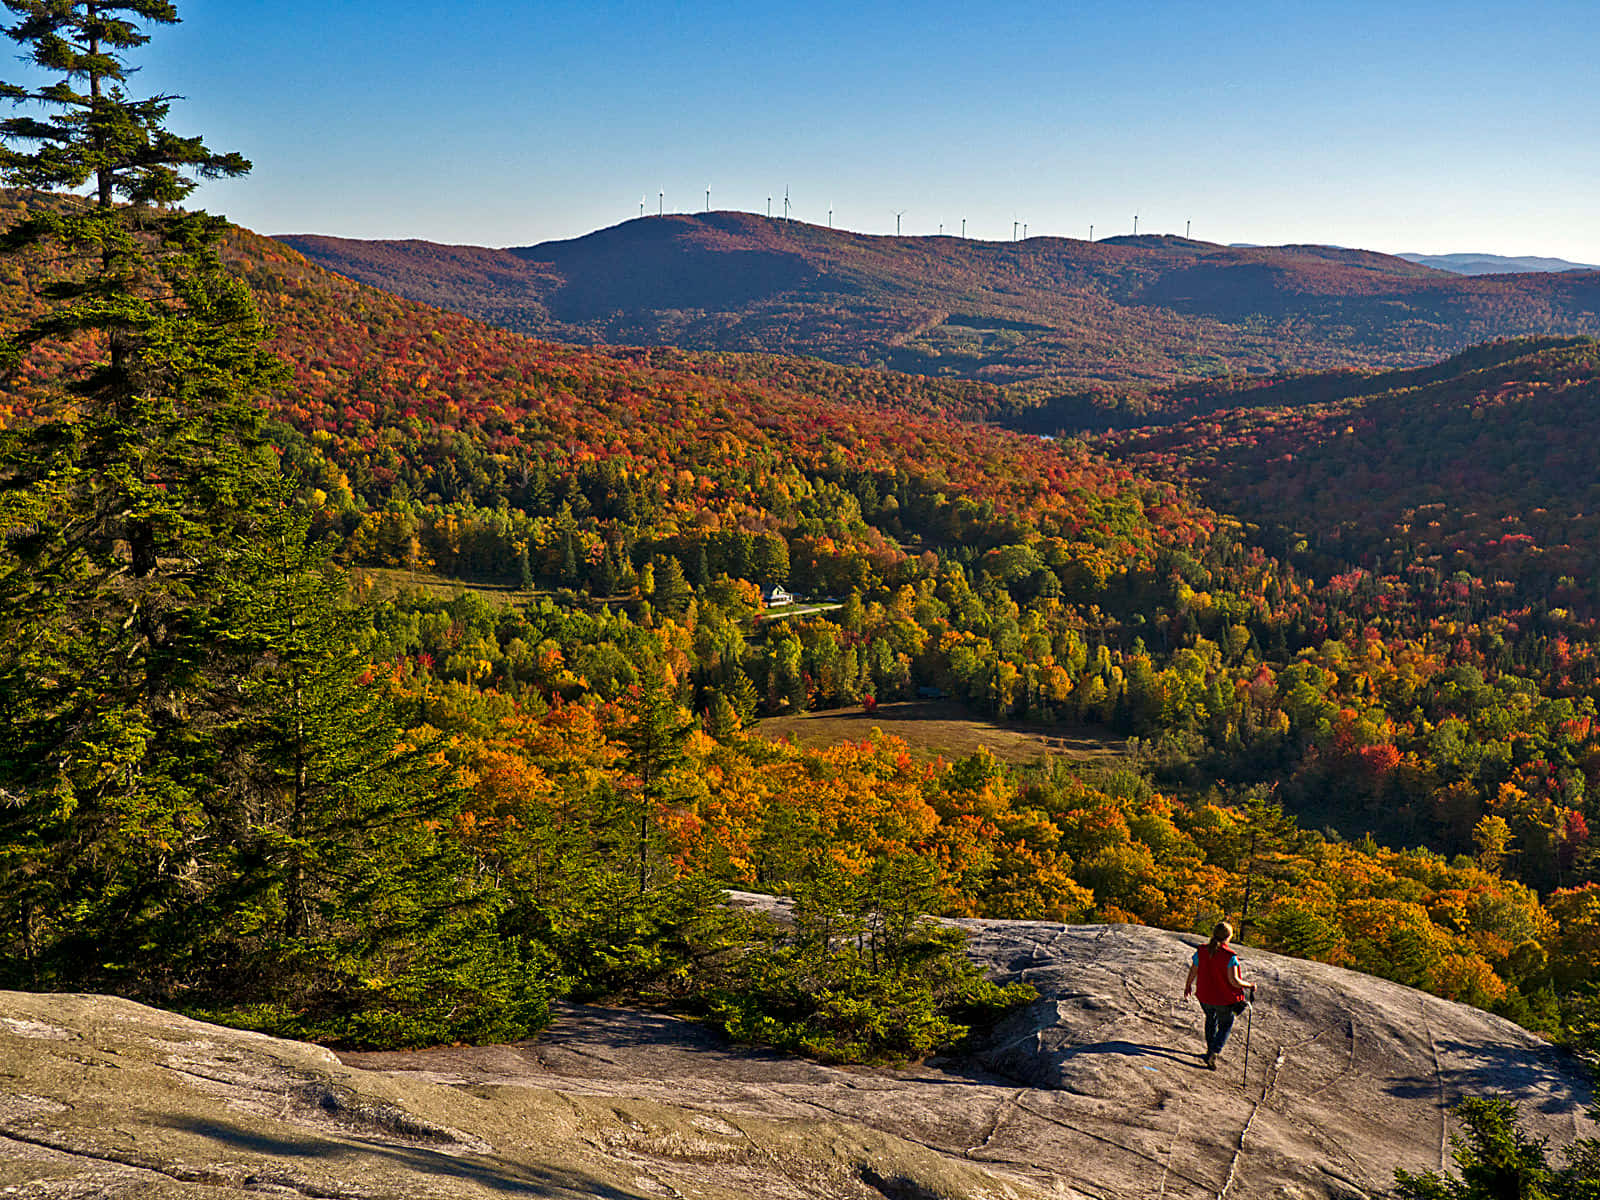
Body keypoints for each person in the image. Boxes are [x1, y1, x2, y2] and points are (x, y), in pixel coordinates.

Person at [1183, 921, 1256, 1070]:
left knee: (1210, 1019)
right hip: (1223, 998)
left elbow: (1193, 970)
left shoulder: (1202, 951)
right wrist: (1250, 985)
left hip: (1204, 996)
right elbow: (1234, 981)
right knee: (1225, 1024)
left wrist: (1188, 985)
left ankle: (1209, 1050)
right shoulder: (1229, 956)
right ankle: (1214, 1051)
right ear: (1229, 937)